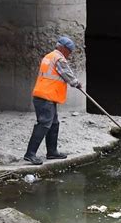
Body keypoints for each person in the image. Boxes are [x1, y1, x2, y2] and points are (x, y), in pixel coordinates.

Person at [23, 36, 82, 165]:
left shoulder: (48, 56)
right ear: (63, 48)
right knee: (44, 123)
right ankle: (30, 153)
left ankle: (52, 152)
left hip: (45, 96)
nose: (69, 55)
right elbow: (67, 74)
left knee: (54, 123)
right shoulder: (59, 58)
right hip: (45, 96)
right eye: (69, 51)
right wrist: (76, 83)